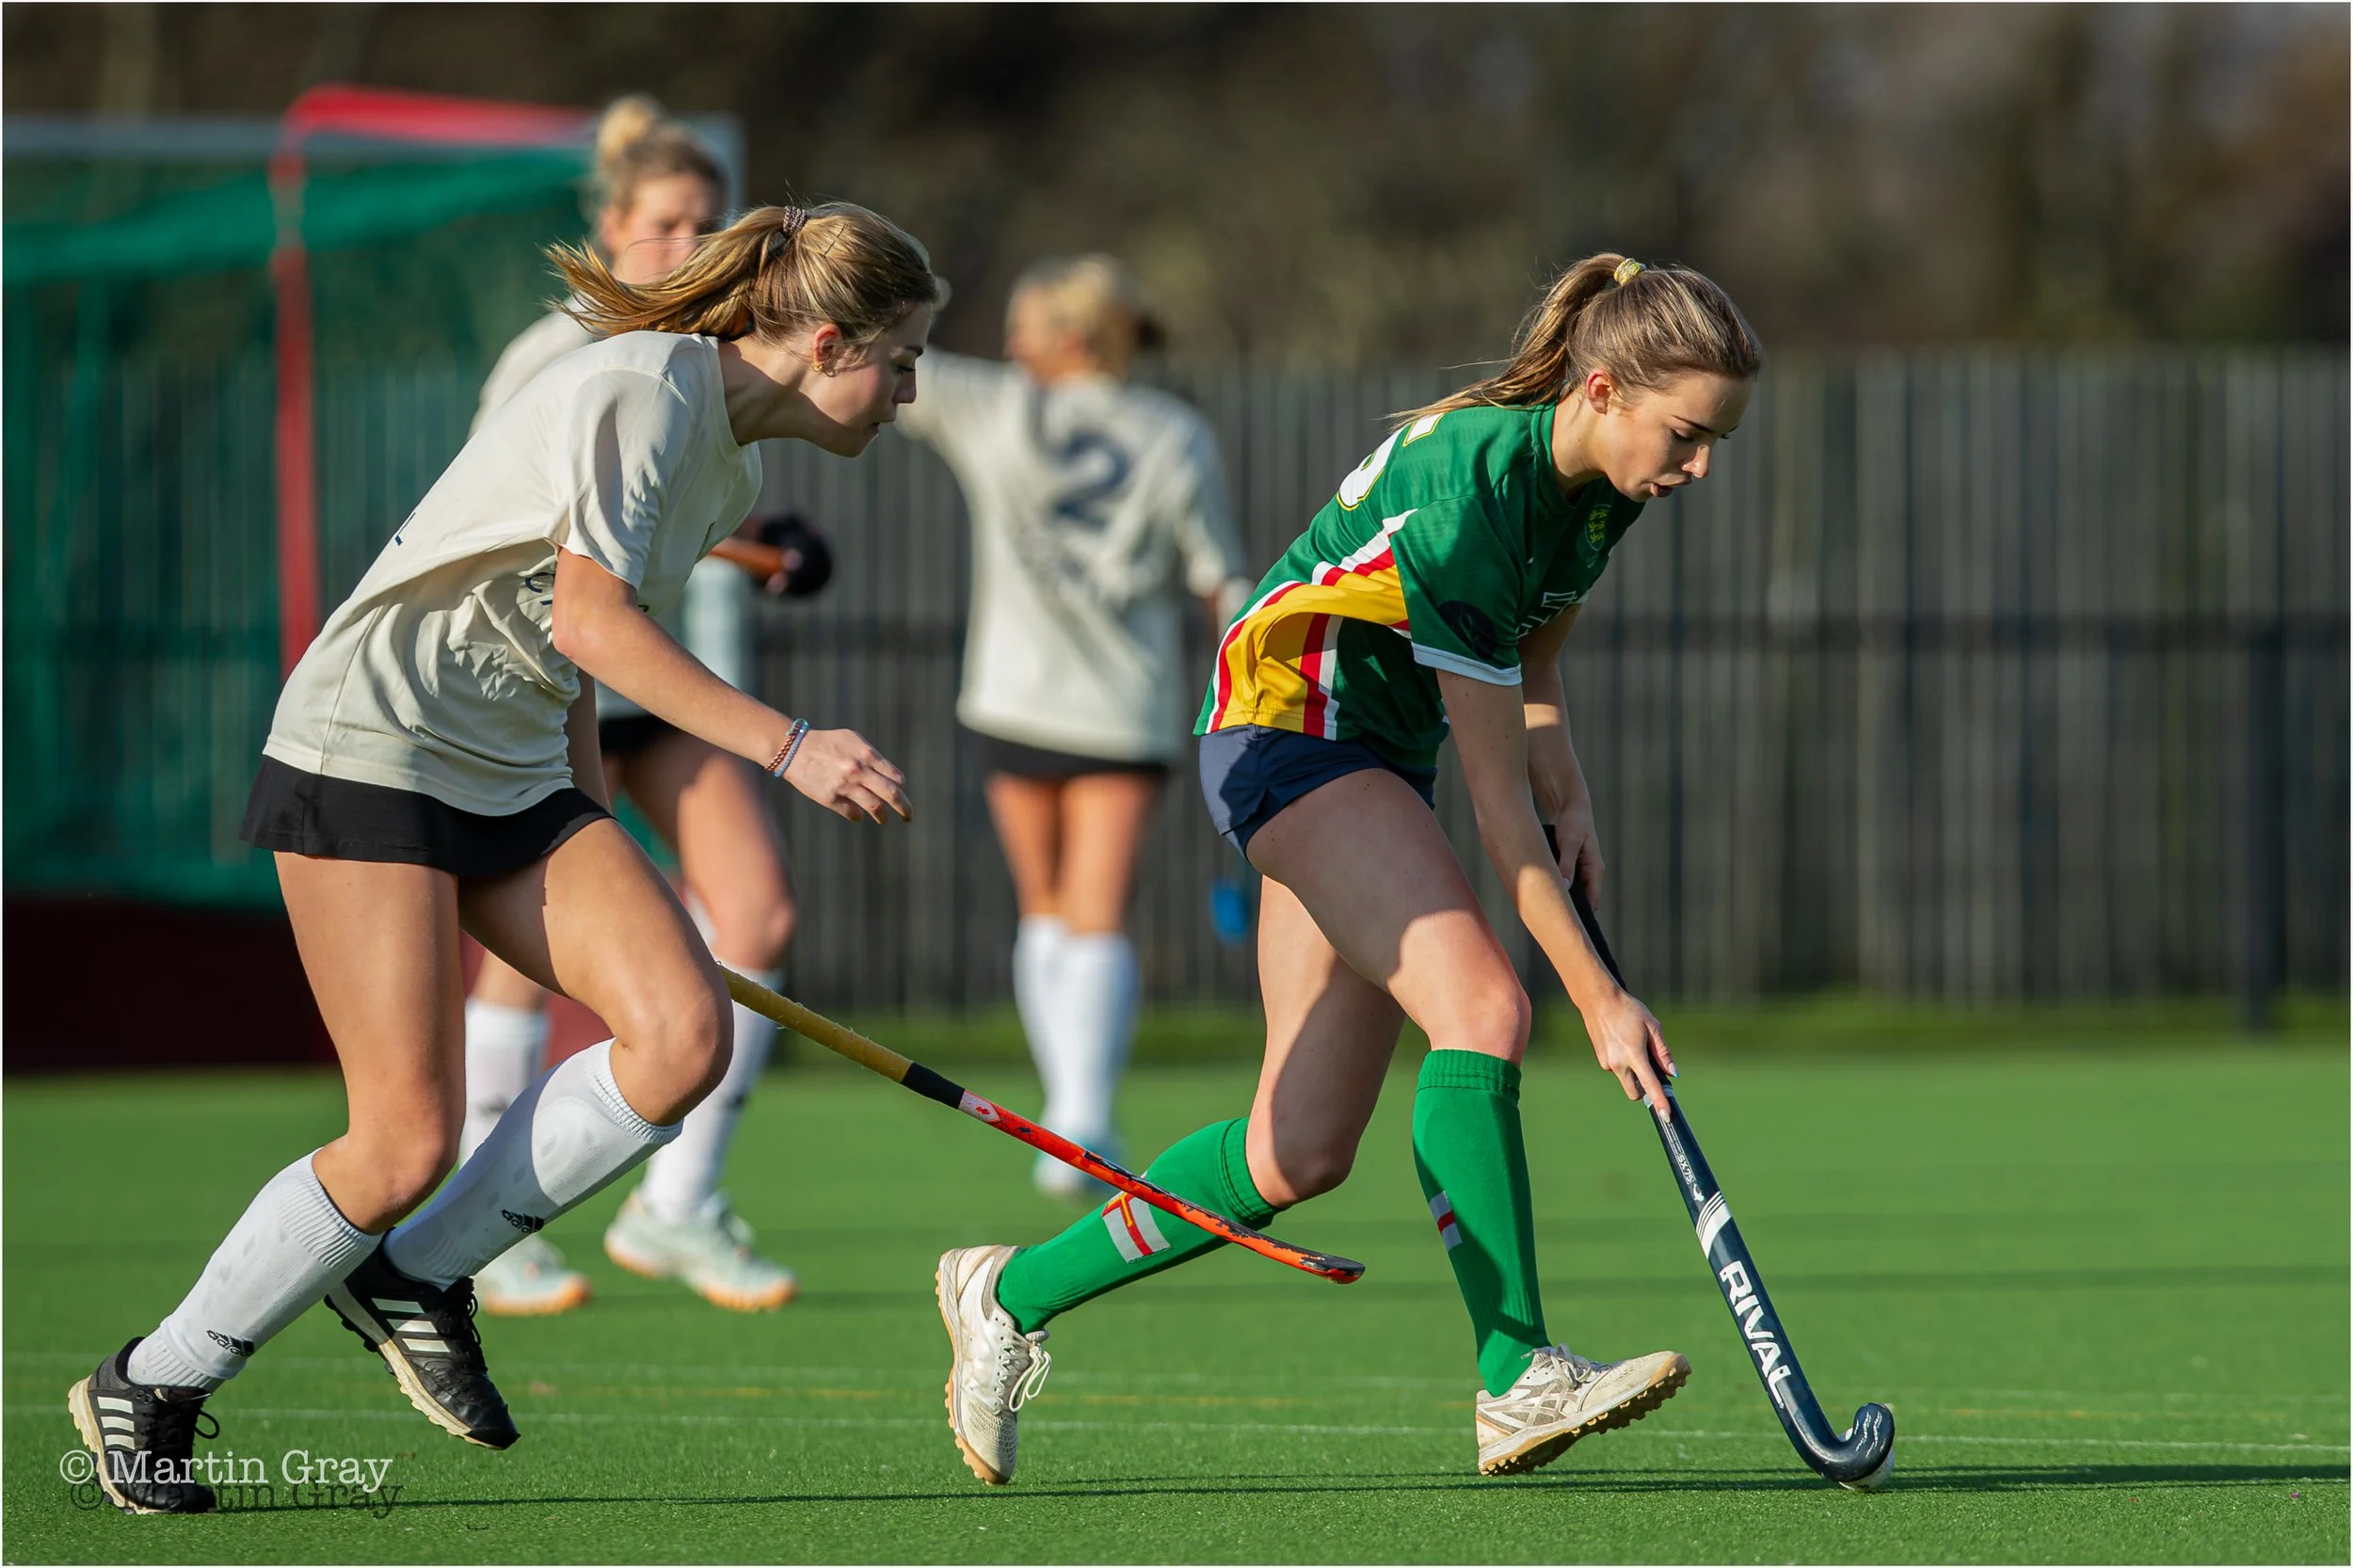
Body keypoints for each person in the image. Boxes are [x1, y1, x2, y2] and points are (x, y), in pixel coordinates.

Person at [67, 200, 941, 1515]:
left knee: (679, 1037)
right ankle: (153, 1379)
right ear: (827, 343)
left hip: (516, 771)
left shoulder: (729, 472)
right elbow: (593, 623)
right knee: (402, 1139)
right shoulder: (646, 392)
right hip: (374, 745)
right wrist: (790, 744)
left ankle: (418, 1277)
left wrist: (590, 826)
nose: (908, 395)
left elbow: (569, 651)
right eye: (902, 361)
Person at [932, 253, 1760, 1485]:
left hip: (1370, 753)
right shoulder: (1473, 491)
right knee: (1483, 1007)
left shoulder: (1600, 489)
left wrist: (1573, 792)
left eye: (1715, 441)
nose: (1698, 467)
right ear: (1601, 389)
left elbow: (1535, 661)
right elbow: (1497, 816)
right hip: (1287, 730)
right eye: (1687, 435)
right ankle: (1516, 1376)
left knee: (1298, 1148)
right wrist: (1601, 999)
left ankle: (1005, 1295)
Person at [460, 95, 813, 1318]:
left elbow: (667, 508)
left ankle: (678, 1204)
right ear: (612, 226)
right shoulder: (553, 349)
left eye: (708, 221)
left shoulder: (703, 355)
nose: (688, 243)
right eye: (665, 221)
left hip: (649, 671)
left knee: (758, 910)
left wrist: (760, 546)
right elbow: (521, 520)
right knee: (533, 959)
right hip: (547, 672)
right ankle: (488, 1226)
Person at [894, 255, 1252, 1202]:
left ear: (1073, 337)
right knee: (1093, 908)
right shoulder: (1176, 431)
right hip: (1121, 707)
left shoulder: (990, 405)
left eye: (1025, 328)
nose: (1010, 346)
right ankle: (1080, 1119)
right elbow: (1223, 579)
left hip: (1011, 695)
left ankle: (1071, 1119)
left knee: (1047, 905)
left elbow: (877, 359)